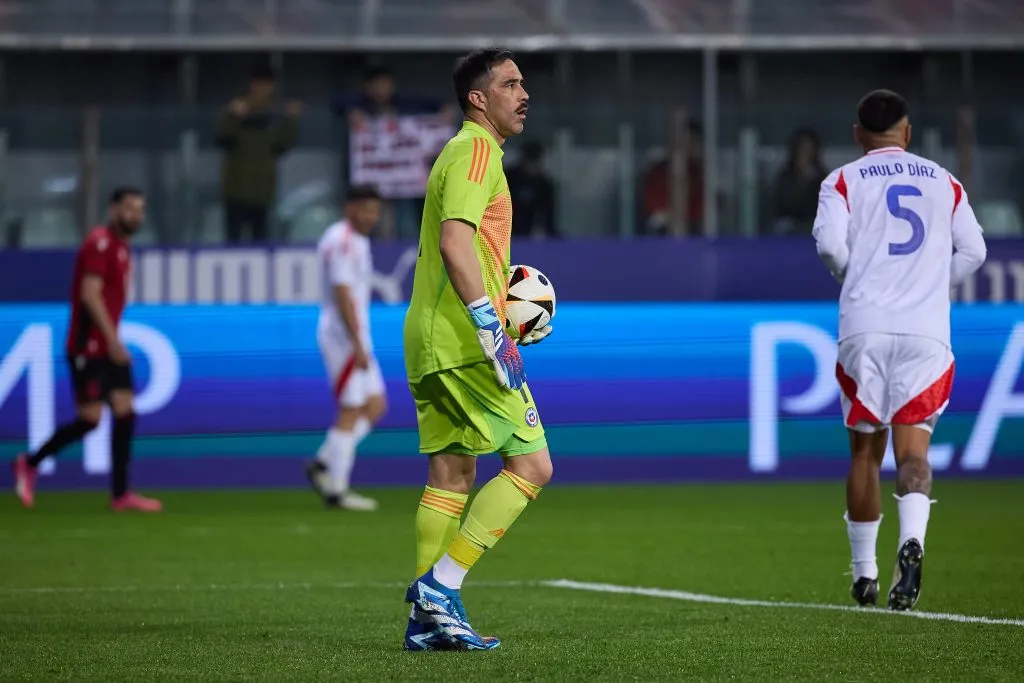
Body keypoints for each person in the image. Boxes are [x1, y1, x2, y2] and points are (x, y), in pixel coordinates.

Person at [401, 48, 553, 652]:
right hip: (466, 340)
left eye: (524, 84)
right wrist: (491, 322)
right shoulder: (476, 149)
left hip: (431, 335)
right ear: (478, 98)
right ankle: (442, 585)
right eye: (510, 83)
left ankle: (427, 623)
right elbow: (454, 241)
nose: (524, 93)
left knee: (451, 473)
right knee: (533, 465)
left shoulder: (461, 151)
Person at [812, 90, 986, 611]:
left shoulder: (841, 180)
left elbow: (827, 246)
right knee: (913, 456)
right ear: (907, 133)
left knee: (865, 451)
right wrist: (930, 285)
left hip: (864, 325)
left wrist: (856, 276)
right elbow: (974, 250)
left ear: (859, 134)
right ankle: (913, 542)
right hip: (925, 330)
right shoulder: (945, 182)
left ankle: (864, 574)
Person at [12, 188, 162, 512]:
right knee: (91, 419)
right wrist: (112, 340)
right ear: (113, 209)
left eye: (140, 210)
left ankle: (121, 495)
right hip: (89, 347)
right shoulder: (100, 242)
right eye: (129, 209)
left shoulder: (122, 247)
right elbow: (89, 293)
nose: (135, 215)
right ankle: (29, 462)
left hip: (106, 345)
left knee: (125, 411)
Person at [304, 186, 387, 512]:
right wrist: (356, 342)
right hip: (342, 335)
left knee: (376, 405)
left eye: (375, 211)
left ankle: (324, 463)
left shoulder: (357, 240)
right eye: (365, 209)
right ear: (349, 207)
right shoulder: (341, 241)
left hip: (356, 333)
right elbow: (342, 294)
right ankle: (337, 489)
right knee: (351, 408)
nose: (371, 217)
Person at [216, 63, 302, 243]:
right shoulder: (238, 108)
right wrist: (233, 116)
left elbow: (283, 146)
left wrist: (291, 120)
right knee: (233, 240)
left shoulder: (276, 114)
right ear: (251, 84)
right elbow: (222, 139)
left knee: (260, 241)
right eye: (259, 84)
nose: (262, 89)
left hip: (263, 190)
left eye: (267, 84)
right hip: (235, 189)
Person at [772, 127, 828, 235]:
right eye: (802, 149)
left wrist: (811, 180)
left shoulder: (823, 179)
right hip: (788, 227)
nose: (805, 153)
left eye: (809, 149)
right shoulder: (785, 176)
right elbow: (780, 204)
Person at [507, 141, 558, 238]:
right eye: (529, 162)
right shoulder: (509, 178)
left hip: (530, 234)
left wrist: (546, 232)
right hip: (503, 229)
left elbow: (549, 215)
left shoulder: (544, 185)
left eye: (535, 162)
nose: (532, 167)